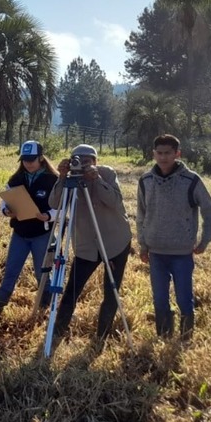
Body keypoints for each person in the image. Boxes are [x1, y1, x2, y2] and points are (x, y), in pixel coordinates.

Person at [48, 144, 133, 346]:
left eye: (87, 161)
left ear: (95, 161)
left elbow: (114, 201)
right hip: (86, 244)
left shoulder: (107, 173)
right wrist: (62, 177)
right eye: (77, 160)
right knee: (72, 289)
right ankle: (58, 331)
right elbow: (54, 203)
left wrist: (97, 179)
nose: (82, 165)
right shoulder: (70, 179)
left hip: (115, 241)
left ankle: (102, 336)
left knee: (111, 290)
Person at [136, 133, 211, 340]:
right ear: (153, 154)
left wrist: (204, 240)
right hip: (156, 252)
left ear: (177, 154)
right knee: (159, 299)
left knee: (184, 297)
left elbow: (210, 211)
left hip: (182, 251)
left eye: (168, 153)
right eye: (159, 153)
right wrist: (143, 245)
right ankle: (164, 336)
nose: (163, 157)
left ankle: (185, 338)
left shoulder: (191, 180)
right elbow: (141, 215)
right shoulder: (145, 181)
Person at [0, 140, 59, 313]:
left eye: (32, 159)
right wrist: (6, 211)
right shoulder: (16, 179)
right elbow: (5, 202)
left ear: (41, 158)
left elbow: (63, 207)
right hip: (20, 233)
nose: (28, 163)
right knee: (11, 271)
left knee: (42, 273)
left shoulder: (53, 180)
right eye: (25, 159)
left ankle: (44, 308)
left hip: (42, 234)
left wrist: (48, 216)